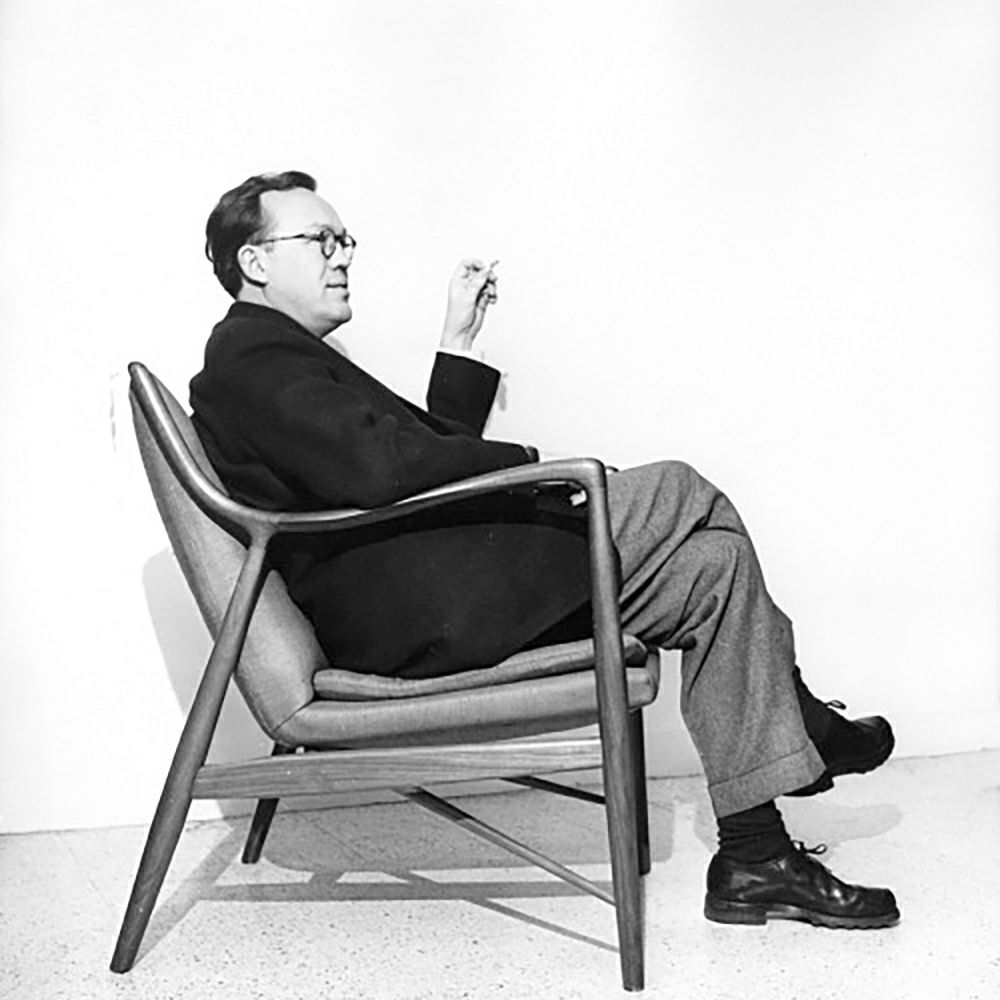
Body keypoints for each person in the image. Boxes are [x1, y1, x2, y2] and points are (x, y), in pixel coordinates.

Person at [190, 170, 900, 930]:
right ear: (255, 261)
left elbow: (402, 459)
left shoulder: (280, 357)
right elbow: (382, 469)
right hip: (427, 614)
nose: (342, 256)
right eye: (320, 240)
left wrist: (458, 341)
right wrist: (531, 464)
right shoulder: (250, 358)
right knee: (682, 486)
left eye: (345, 240)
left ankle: (755, 857)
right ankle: (802, 721)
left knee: (711, 570)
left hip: (447, 595)